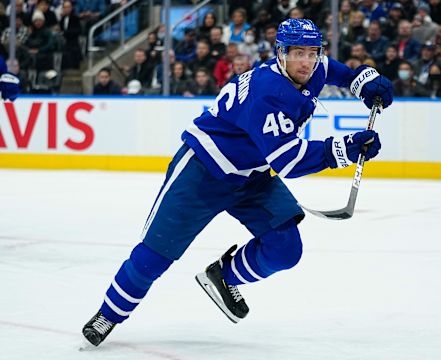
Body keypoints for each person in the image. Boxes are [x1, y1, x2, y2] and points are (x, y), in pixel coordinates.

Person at [82, 19, 393, 347]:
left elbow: (332, 69)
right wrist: (340, 149)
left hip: (252, 175)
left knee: (285, 248)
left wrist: (363, 80)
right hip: (202, 172)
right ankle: (109, 314)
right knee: (154, 256)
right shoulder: (267, 93)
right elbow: (288, 160)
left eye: (311, 52)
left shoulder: (312, 67)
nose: (306, 60)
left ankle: (222, 277)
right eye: (297, 53)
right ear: (281, 54)